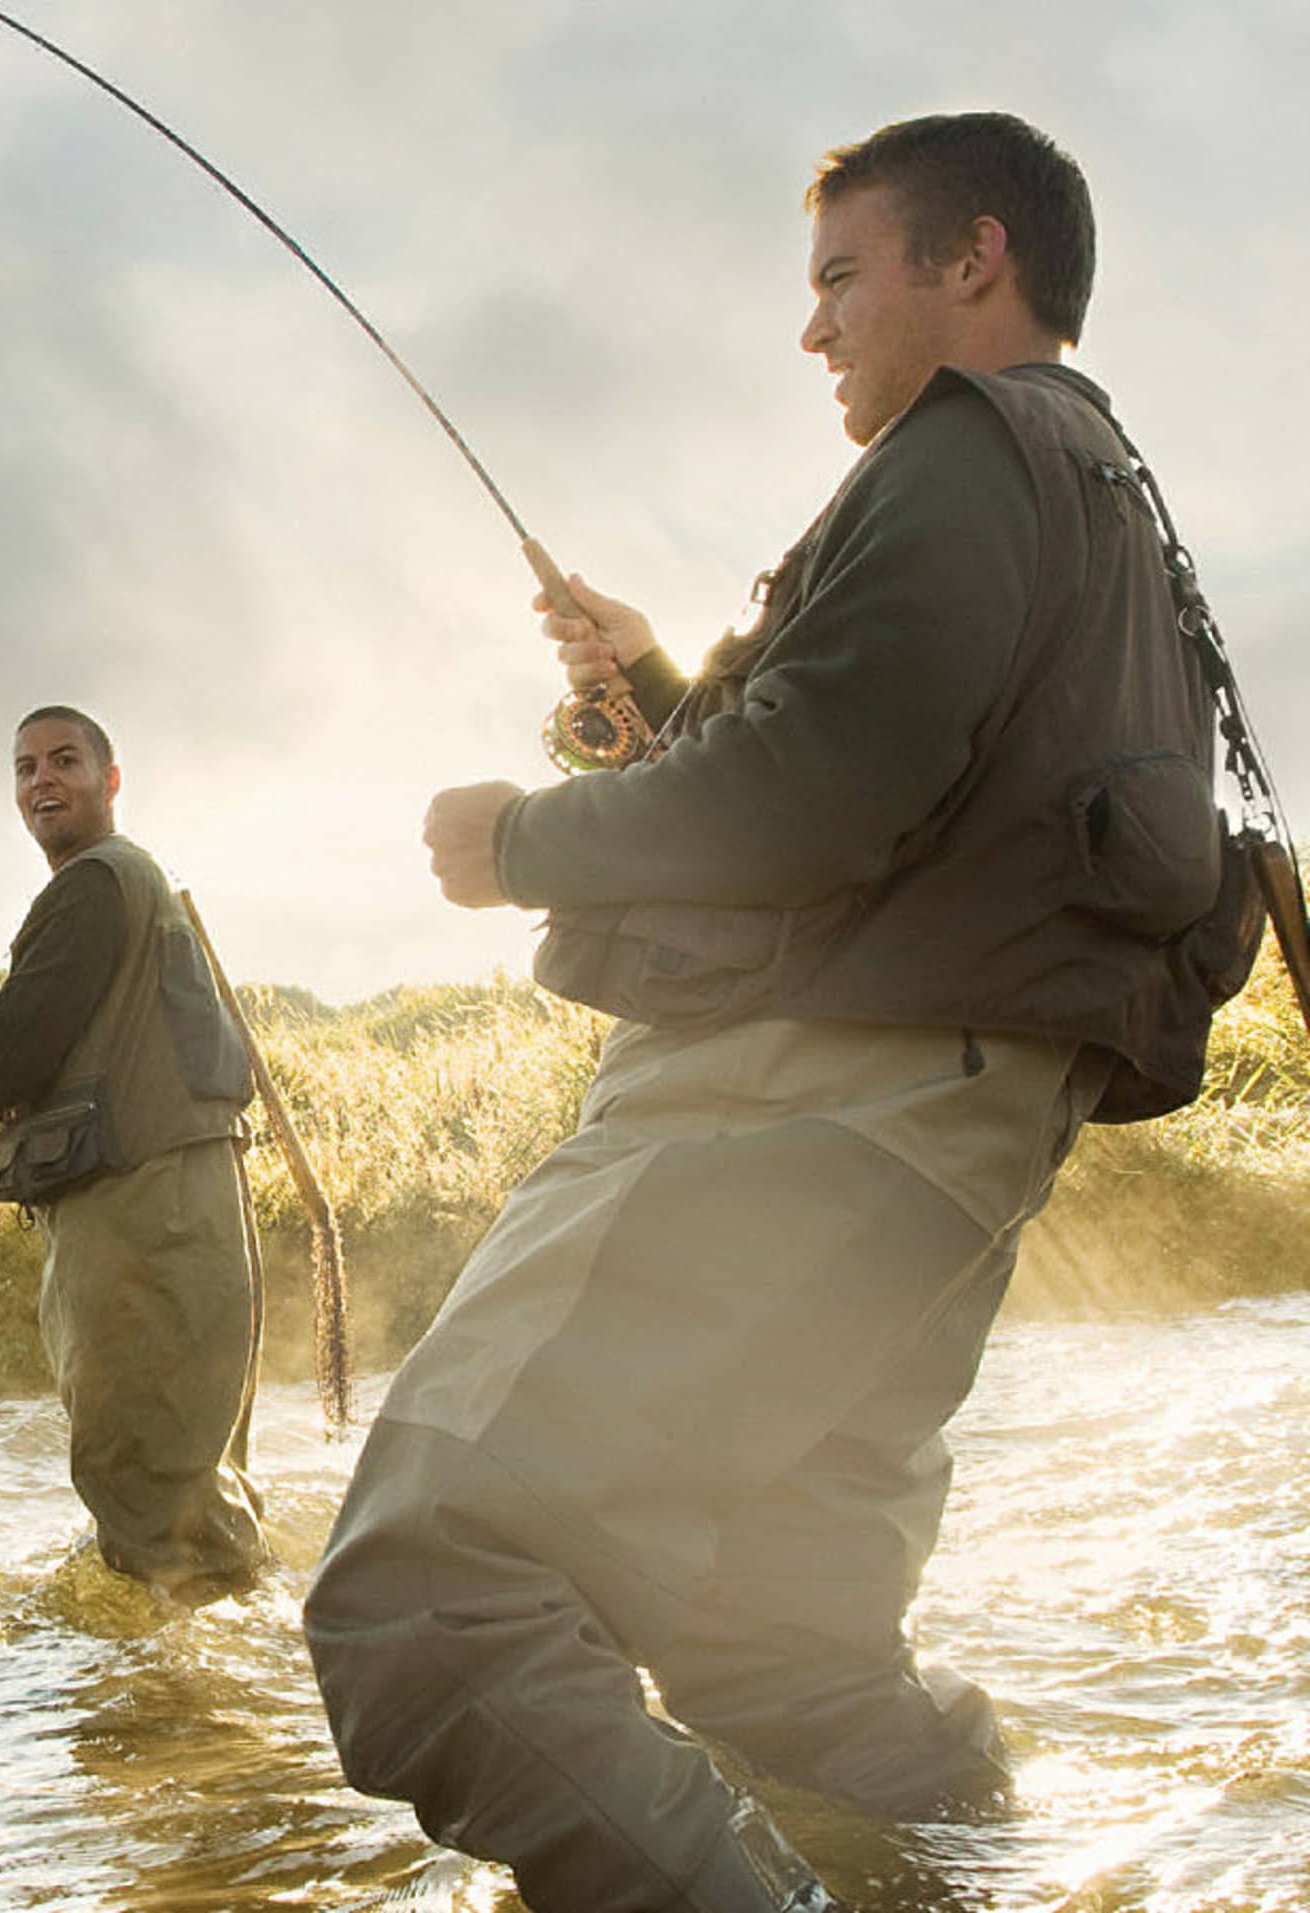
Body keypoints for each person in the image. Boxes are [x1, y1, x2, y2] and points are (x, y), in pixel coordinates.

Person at [304, 114, 1252, 1911]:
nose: (813, 331)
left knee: (430, 1598)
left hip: (807, 1115)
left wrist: (519, 840)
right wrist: (658, 683)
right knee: (781, 1657)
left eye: (840, 278)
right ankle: (992, 1871)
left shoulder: (965, 447)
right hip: (944, 1153)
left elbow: (811, 797)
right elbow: (901, 782)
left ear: (973, 259)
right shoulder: (1101, 484)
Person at [0, 706, 270, 1604]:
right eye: (24, 769)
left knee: (141, 1480)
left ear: (110, 779)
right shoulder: (139, 883)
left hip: (142, 1215)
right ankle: (239, 1706)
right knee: (194, 1481)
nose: (41, 781)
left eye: (63, 761)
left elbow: (16, 1046)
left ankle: (169, 1719)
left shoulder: (92, 884)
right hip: (191, 1208)